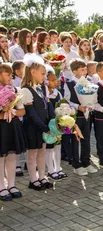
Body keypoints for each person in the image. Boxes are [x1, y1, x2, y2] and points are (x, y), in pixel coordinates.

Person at [21, 54, 54, 190]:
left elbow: (47, 107)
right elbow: (32, 113)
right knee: (32, 153)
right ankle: (33, 179)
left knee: (42, 151)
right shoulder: (26, 90)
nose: (44, 77)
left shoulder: (41, 89)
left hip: (44, 126)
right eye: (42, 74)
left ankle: (42, 176)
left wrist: (52, 123)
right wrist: (43, 126)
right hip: (33, 127)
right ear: (33, 72)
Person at [64, 59, 98, 175]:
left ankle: (86, 162)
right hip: (76, 116)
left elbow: (93, 97)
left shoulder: (88, 82)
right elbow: (66, 100)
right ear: (74, 72)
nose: (84, 72)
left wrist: (91, 105)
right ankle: (76, 165)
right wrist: (78, 107)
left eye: (85, 69)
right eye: (81, 70)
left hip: (86, 115)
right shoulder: (69, 84)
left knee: (86, 139)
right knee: (76, 140)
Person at [0, 64, 26, 200]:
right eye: (7, 74)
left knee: (11, 156)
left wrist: (12, 110)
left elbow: (23, 111)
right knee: (1, 158)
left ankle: (11, 184)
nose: (10, 77)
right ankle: (1, 186)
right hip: (1, 127)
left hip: (12, 126)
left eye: (11, 74)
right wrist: (2, 114)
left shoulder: (15, 90)